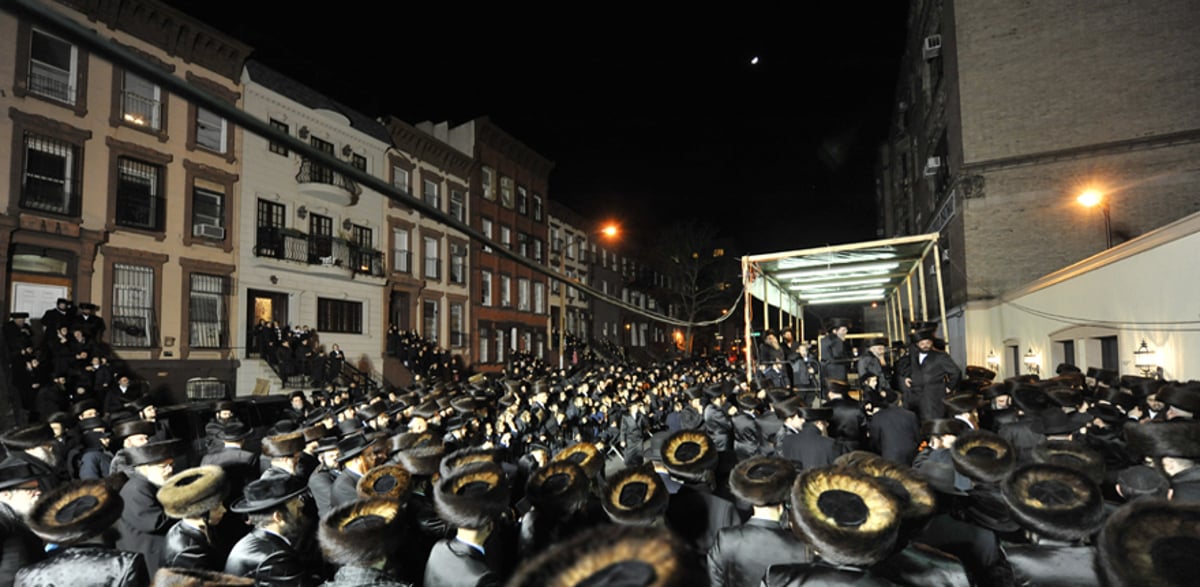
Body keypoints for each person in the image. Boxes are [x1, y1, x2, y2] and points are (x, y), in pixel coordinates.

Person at [224, 476, 317, 586]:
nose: (301, 505)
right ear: (278, 517)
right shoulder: (274, 558)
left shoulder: (257, 542)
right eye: (294, 504)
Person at [157, 465, 228, 572]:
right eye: (217, 506)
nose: (224, 510)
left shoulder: (205, 527)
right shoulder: (188, 551)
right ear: (198, 512)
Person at [901, 328, 962, 421]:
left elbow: (956, 372)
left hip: (933, 397)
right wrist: (908, 377)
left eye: (928, 343)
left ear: (932, 343)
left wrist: (949, 387)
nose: (925, 346)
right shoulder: (913, 356)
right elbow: (910, 369)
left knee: (932, 423)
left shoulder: (940, 356)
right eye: (922, 343)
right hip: (915, 397)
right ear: (917, 344)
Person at [819, 318, 852, 386]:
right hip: (837, 372)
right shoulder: (837, 341)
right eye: (843, 330)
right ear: (835, 331)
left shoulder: (823, 340)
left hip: (825, 371)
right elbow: (838, 355)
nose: (846, 332)